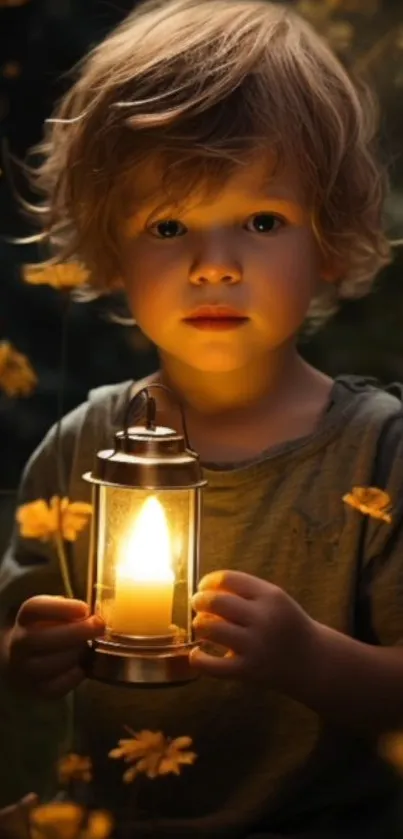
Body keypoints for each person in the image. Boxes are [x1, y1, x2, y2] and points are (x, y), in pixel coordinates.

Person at [0, 0, 403, 835]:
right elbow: (20, 622)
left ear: (327, 238)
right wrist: (28, 650)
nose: (213, 267)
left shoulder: (377, 452)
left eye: (261, 220)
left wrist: (307, 658)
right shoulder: (83, 444)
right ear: (111, 249)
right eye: (169, 223)